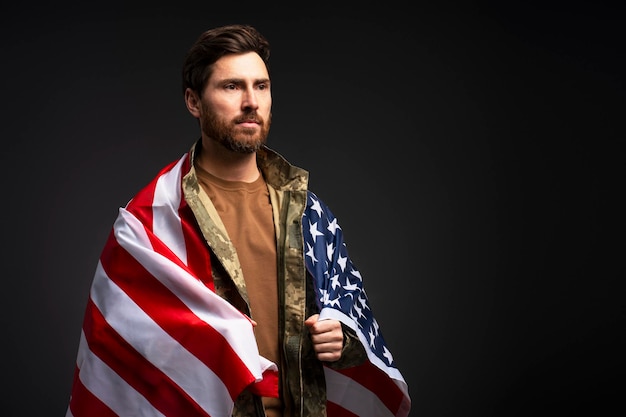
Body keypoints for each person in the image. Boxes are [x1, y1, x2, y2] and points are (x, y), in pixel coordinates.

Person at [65, 24, 411, 417]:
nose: (251, 102)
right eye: (232, 87)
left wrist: (344, 338)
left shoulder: (306, 209)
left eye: (260, 86)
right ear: (194, 102)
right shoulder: (150, 221)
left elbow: (347, 303)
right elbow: (123, 346)